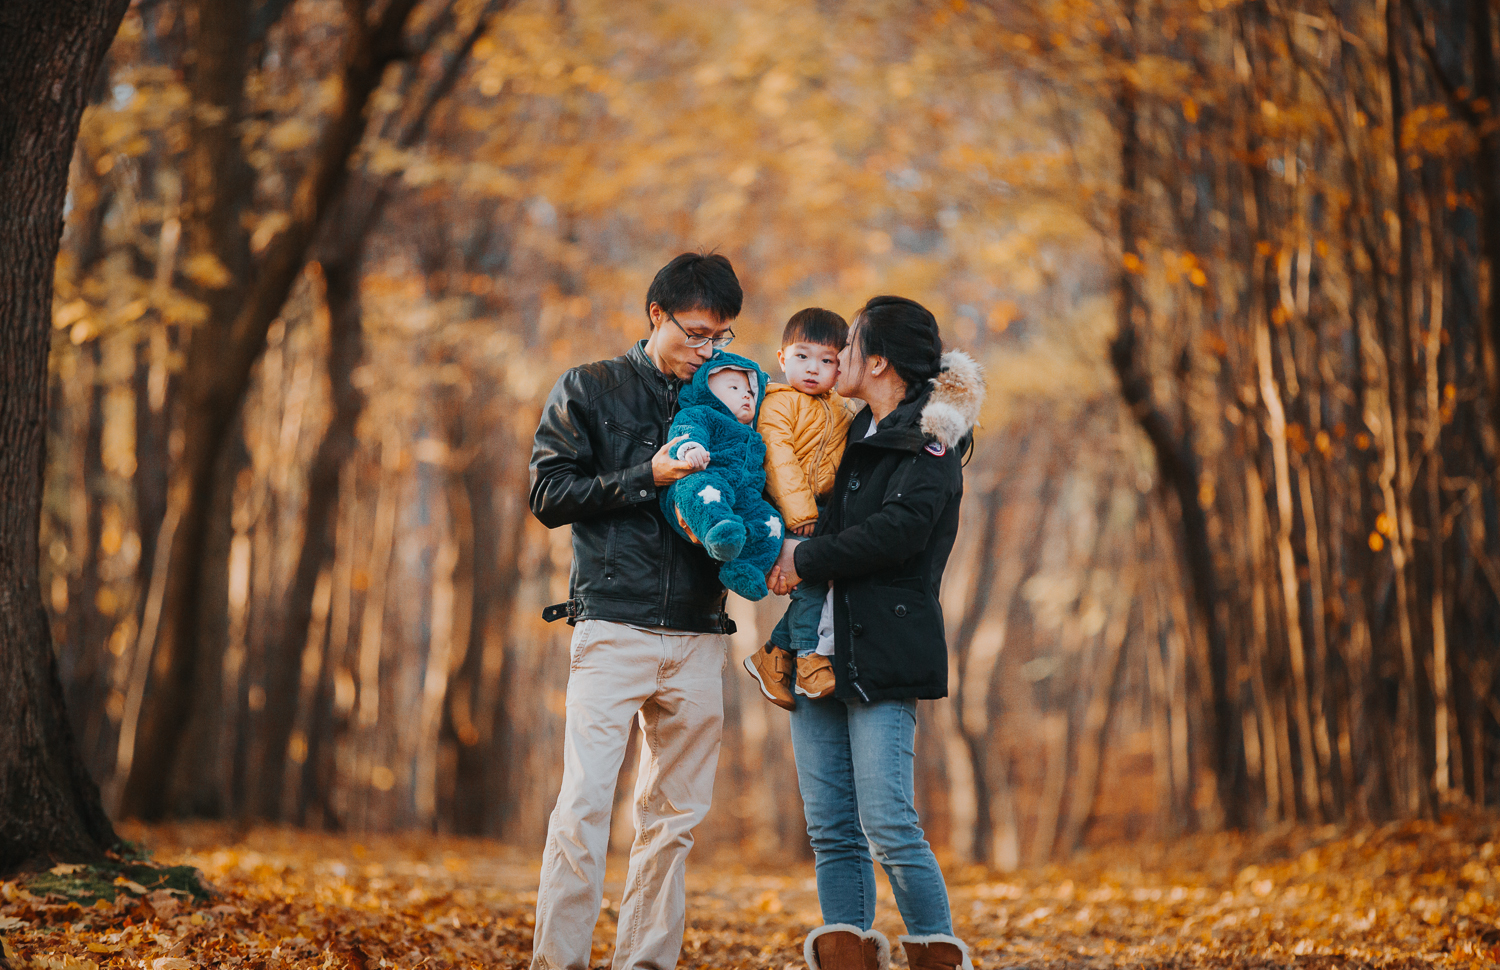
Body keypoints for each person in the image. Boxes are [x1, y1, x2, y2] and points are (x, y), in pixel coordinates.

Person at [527, 251, 742, 970]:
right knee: (584, 809)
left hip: (701, 634)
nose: (709, 350)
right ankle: (557, 963)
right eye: (698, 333)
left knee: (673, 823)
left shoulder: (725, 399)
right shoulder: (590, 386)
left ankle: (644, 963)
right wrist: (644, 477)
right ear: (658, 314)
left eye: (722, 338)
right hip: (612, 626)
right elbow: (548, 495)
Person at [767, 296, 985, 970]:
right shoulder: (850, 431)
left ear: (879, 360)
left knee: (888, 823)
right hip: (817, 649)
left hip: (883, 649)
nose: (837, 354)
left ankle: (934, 953)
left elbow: (900, 533)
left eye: (851, 343)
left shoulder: (929, 440)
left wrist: (804, 557)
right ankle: (848, 952)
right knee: (831, 827)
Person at [743, 308, 856, 709]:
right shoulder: (778, 403)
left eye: (827, 361)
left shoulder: (843, 411)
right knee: (809, 584)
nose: (813, 369)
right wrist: (800, 513)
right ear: (782, 358)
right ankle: (808, 659)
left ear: (840, 369)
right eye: (802, 357)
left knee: (822, 585)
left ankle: (774, 654)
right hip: (781, 511)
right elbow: (778, 457)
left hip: (820, 515)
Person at [658, 351, 784, 601]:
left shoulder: (754, 434)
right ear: (707, 391)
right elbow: (686, 430)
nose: (745, 395)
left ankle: (745, 568)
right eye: (734, 387)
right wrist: (690, 449)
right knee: (701, 488)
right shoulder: (703, 413)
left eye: (749, 391)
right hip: (704, 478)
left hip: (743, 498)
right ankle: (717, 531)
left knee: (771, 520)